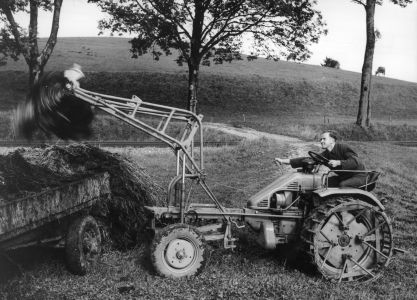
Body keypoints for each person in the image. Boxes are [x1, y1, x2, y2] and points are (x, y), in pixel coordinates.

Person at [275, 130, 367, 188]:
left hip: (358, 176)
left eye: (324, 139)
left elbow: (355, 161)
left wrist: (338, 162)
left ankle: (344, 208)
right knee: (321, 183)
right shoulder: (326, 154)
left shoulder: (343, 148)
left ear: (332, 140)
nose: (321, 141)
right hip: (344, 177)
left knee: (343, 185)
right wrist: (283, 161)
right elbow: (308, 159)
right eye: (320, 139)